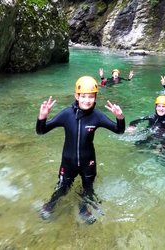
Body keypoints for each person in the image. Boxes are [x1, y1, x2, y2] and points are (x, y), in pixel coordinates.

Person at [36, 76, 125, 224]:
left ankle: (84, 208)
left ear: (95, 97)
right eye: (83, 96)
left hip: (88, 163)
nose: (87, 100)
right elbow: (41, 131)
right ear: (76, 96)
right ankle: (50, 205)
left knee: (88, 189)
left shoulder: (98, 116)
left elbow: (119, 131)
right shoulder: (66, 114)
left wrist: (120, 117)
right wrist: (42, 116)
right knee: (62, 189)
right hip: (68, 162)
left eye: (91, 96)